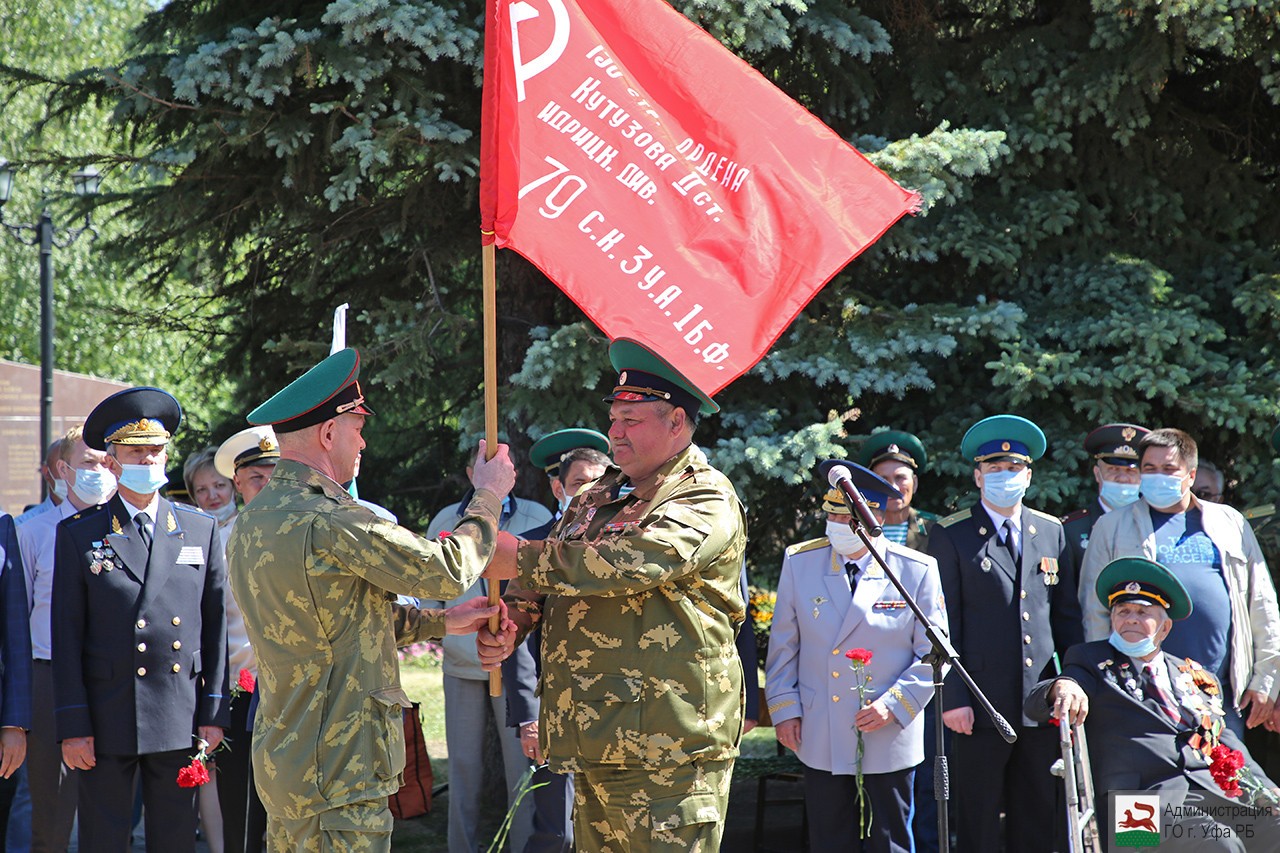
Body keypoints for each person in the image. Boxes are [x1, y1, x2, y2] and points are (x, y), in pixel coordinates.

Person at [228, 347, 518, 852]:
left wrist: (441, 624)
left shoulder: (255, 518)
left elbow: (330, 621)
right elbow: (447, 569)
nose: (363, 442)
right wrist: (487, 495)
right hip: (340, 765)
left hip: (289, 757)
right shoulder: (333, 518)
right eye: (358, 428)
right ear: (327, 433)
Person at [477, 338, 748, 852]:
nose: (614, 432)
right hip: (594, 737)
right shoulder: (595, 495)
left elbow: (640, 561)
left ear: (676, 422)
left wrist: (522, 555)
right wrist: (511, 623)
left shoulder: (704, 494)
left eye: (632, 419)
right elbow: (543, 578)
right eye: (615, 417)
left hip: (668, 748)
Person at [52, 387, 230, 853]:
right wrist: (73, 724)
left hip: (178, 711)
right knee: (103, 838)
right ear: (112, 462)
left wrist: (213, 712)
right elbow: (66, 636)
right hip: (107, 714)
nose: (149, 460)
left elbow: (214, 630)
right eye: (136, 451)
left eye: (156, 450)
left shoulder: (199, 530)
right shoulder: (80, 533)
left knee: (174, 838)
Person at [1028, 556, 1280, 849]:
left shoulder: (1197, 676)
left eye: (1143, 612)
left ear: (1165, 627)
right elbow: (1037, 703)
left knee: (1274, 828)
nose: (1131, 618)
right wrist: (1063, 686)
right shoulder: (1090, 661)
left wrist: (1268, 789)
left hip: (1208, 794)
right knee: (1218, 845)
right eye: (1122, 611)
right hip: (1134, 809)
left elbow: (1226, 740)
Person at [766, 467, 946, 852]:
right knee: (830, 839)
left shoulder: (914, 569)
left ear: (874, 517)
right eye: (830, 515)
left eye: (846, 518)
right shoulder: (801, 563)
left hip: (886, 729)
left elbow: (934, 653)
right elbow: (784, 646)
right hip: (820, 730)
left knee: (891, 840)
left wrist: (894, 705)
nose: (836, 526)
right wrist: (784, 711)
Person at [927, 414, 1081, 853]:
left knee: (1037, 811)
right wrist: (954, 698)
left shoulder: (1052, 531)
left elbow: (1065, 617)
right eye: (994, 469)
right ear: (978, 476)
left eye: (1014, 469)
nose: (1004, 477)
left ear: (1028, 475)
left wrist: (1070, 679)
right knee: (977, 814)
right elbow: (942, 622)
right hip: (977, 702)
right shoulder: (952, 534)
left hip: (1041, 702)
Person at [1078, 428, 1280, 738]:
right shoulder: (1112, 527)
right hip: (1144, 695)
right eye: (1150, 469)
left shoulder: (1229, 522)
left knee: (1221, 783)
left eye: (1169, 469)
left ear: (1190, 474)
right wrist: (1110, 683)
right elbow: (1095, 612)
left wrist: (1267, 680)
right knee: (1149, 787)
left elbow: (1262, 605)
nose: (1159, 476)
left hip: (1222, 695)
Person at [424, 433, 571, 853]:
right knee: (464, 768)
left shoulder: (537, 516)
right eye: (479, 465)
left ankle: (523, 846)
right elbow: (434, 595)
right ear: (472, 472)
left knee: (522, 771)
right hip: (464, 665)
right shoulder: (445, 521)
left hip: (518, 666)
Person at [10, 426, 115, 853]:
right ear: (62, 469)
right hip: (49, 678)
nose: (100, 471)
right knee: (51, 809)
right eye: (89, 462)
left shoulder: (126, 526)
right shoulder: (32, 531)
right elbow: (19, 614)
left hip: (110, 678)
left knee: (111, 802)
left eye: (106, 462)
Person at [504, 438, 610, 853]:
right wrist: (530, 716)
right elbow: (515, 637)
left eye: (598, 483)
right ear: (559, 488)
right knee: (557, 830)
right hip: (553, 712)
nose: (588, 491)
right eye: (580, 481)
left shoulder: (626, 544)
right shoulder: (528, 547)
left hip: (612, 711)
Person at [211, 426, 279, 853]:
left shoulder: (304, 533)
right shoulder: (218, 541)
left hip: (295, 694)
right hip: (240, 696)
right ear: (237, 482)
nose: (268, 487)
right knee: (243, 815)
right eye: (257, 478)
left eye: (276, 476)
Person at [1061, 423, 1149, 570]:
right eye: (1113, 469)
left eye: (1130, 471)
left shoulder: (1154, 525)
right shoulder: (1071, 529)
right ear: (1097, 474)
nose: (1122, 478)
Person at [856, 430, 936, 552]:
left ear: (914, 483)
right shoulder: (855, 530)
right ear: (872, 486)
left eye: (900, 478)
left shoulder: (936, 529)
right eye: (883, 479)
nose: (893, 487)